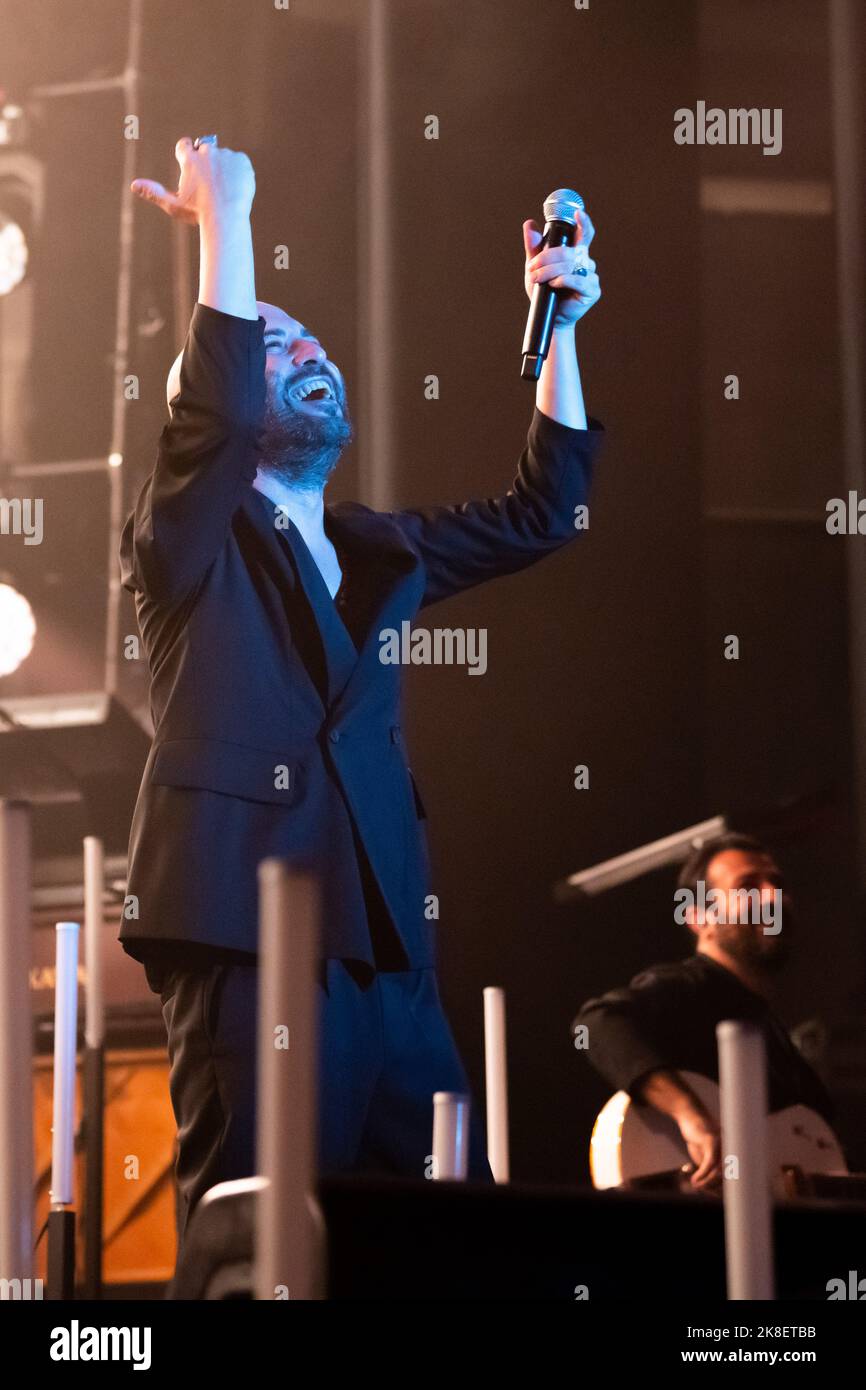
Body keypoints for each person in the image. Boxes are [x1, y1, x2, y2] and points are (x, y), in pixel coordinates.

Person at [120, 136, 604, 1237]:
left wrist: (559, 335)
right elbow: (216, 415)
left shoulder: (378, 548)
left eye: (315, 343)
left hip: (387, 944)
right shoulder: (185, 535)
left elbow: (544, 515)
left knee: (445, 1235)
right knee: (266, 1221)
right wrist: (225, 218)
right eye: (276, 340)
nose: (310, 353)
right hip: (248, 923)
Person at [573, 832, 834, 1191]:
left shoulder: (777, 1039)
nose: (774, 897)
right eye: (748, 886)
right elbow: (597, 1022)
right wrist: (691, 1116)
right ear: (699, 918)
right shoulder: (688, 987)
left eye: (777, 883)